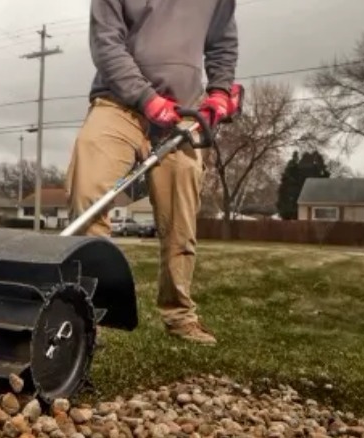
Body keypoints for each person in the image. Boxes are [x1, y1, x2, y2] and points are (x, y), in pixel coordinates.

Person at [65, 0, 238, 345]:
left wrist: (219, 90)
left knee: (180, 218)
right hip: (119, 104)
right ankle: (85, 309)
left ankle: (179, 315)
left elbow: (222, 44)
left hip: (183, 113)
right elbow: (106, 43)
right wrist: (145, 98)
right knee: (88, 190)